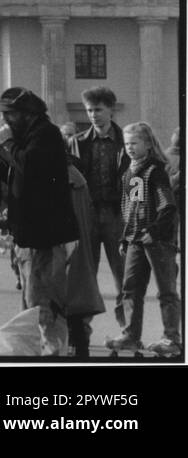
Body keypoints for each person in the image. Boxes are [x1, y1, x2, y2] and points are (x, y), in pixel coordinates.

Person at [0, 86, 79, 355]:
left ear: (28, 114)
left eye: (10, 115)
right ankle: (41, 350)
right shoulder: (27, 135)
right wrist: (0, 155)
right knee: (31, 301)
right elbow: (17, 173)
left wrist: (8, 145)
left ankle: (53, 352)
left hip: (46, 235)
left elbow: (32, 166)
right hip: (29, 232)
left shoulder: (46, 133)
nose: (5, 121)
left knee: (44, 302)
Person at [106, 122, 182, 356]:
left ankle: (171, 338)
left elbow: (167, 206)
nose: (129, 147)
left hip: (158, 241)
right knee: (130, 288)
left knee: (166, 291)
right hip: (134, 240)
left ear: (148, 144)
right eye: (126, 143)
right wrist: (125, 237)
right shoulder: (131, 171)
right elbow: (132, 207)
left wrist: (155, 230)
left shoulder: (155, 170)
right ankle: (130, 334)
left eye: (134, 143)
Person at [72, 86, 129, 327]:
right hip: (88, 214)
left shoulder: (126, 142)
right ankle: (81, 329)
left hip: (117, 215)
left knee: (123, 275)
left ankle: (127, 328)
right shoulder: (77, 142)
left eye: (98, 110)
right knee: (86, 273)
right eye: (89, 110)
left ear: (111, 111)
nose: (93, 115)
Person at [62, 151, 104, 357]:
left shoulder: (67, 177)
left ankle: (77, 345)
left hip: (68, 247)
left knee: (71, 296)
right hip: (75, 245)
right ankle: (79, 344)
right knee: (76, 295)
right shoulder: (73, 175)